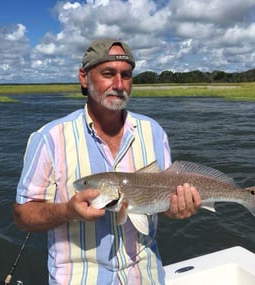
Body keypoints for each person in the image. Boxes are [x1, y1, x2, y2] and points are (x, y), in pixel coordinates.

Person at [13, 38, 201, 285]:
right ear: (84, 77)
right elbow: (22, 215)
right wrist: (68, 211)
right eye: (108, 73)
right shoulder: (49, 138)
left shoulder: (154, 131)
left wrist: (177, 208)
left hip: (146, 277)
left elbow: (161, 201)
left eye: (126, 75)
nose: (119, 84)